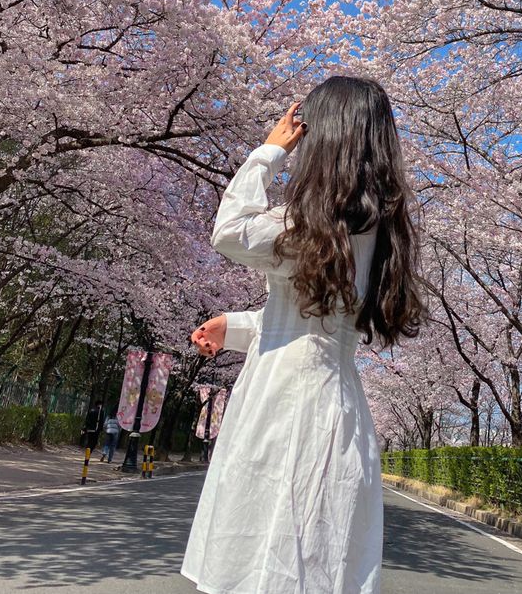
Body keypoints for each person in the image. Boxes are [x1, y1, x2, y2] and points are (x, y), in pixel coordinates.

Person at [181, 75, 428, 594]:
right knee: (316, 562)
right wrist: (236, 327)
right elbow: (316, 323)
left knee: (260, 562)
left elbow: (228, 230)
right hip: (337, 411)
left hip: (282, 407)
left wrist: (267, 153)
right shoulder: (380, 236)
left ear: (324, 139)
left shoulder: (307, 224)